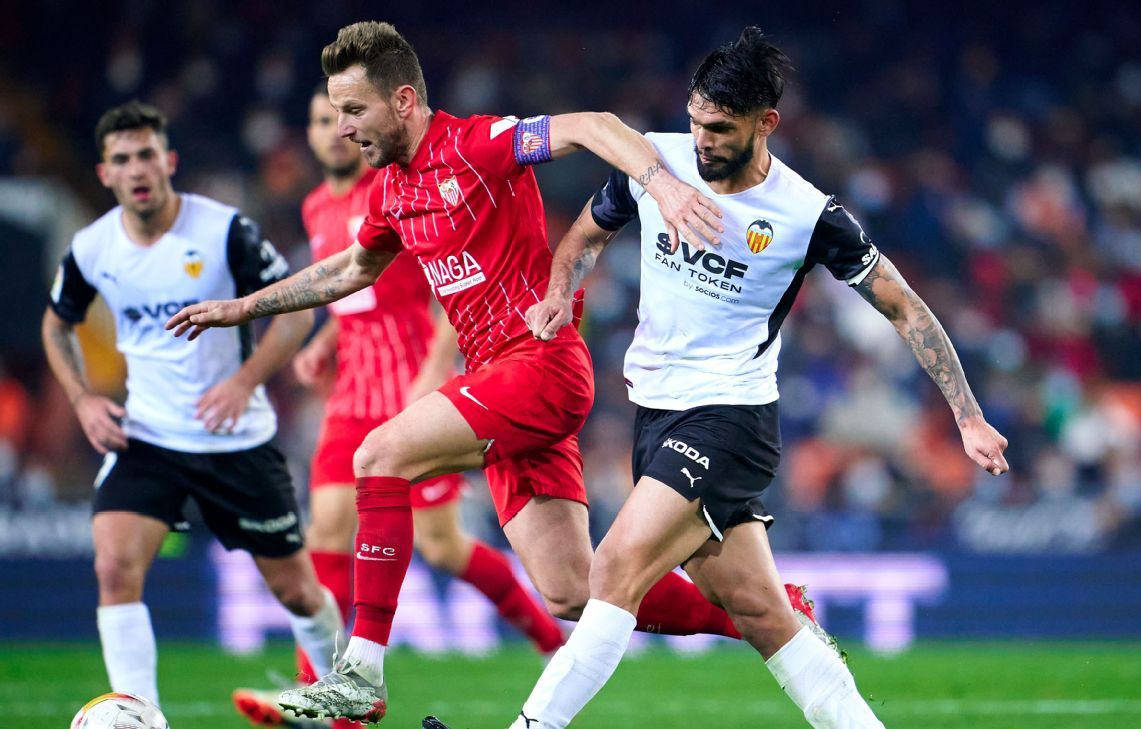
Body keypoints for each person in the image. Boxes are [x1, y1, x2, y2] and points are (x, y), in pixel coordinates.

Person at [167, 21, 820, 724]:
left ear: (404, 101)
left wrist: (659, 184)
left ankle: (359, 672)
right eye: (335, 112)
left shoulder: (477, 145)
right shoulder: (390, 191)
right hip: (500, 381)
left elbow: (594, 125)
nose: (344, 127)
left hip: (539, 364)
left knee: (378, 456)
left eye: (354, 109)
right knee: (573, 590)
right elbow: (352, 269)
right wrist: (245, 307)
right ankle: (777, 616)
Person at [504, 27, 1012, 729]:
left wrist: (967, 414)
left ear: (765, 122)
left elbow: (904, 306)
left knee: (613, 567)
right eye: (695, 121)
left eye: (719, 128)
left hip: (730, 419)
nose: (702, 140)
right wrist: (561, 291)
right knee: (762, 612)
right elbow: (586, 234)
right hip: (656, 414)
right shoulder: (656, 163)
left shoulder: (806, 214)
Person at [232, 85, 568, 729]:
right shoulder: (314, 206)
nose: (336, 130)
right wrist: (324, 342)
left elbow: (449, 283)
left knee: (442, 546)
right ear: (309, 135)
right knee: (325, 531)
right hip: (351, 392)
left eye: (346, 117)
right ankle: (320, 692)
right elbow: (354, 292)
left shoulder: (395, 189)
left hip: (409, 386)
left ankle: (550, 640)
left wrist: (438, 365)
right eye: (322, 120)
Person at [41, 101, 343, 710]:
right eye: (122, 159)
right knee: (114, 569)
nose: (137, 168)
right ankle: (140, 716)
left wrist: (245, 381)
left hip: (235, 439)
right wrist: (82, 400)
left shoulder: (224, 231)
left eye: (146, 154)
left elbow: (295, 313)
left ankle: (341, 694)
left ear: (169, 161)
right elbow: (56, 324)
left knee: (297, 591)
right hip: (147, 436)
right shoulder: (93, 247)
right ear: (105, 173)